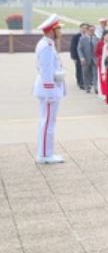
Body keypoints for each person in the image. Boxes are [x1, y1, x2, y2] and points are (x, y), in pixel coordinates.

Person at [34, 15, 66, 164]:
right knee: (47, 123)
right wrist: (50, 92)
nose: (61, 31)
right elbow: (46, 71)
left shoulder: (48, 44)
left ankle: (46, 152)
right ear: (52, 30)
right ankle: (45, 155)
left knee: (46, 122)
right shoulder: (46, 46)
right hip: (49, 89)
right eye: (59, 28)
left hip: (50, 87)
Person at [77, 25, 97, 94]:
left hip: (94, 59)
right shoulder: (82, 39)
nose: (92, 32)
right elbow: (79, 49)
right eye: (91, 30)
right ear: (87, 31)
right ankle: (87, 86)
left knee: (95, 73)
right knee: (86, 73)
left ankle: (96, 87)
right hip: (85, 59)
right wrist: (82, 57)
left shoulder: (96, 38)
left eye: (93, 30)